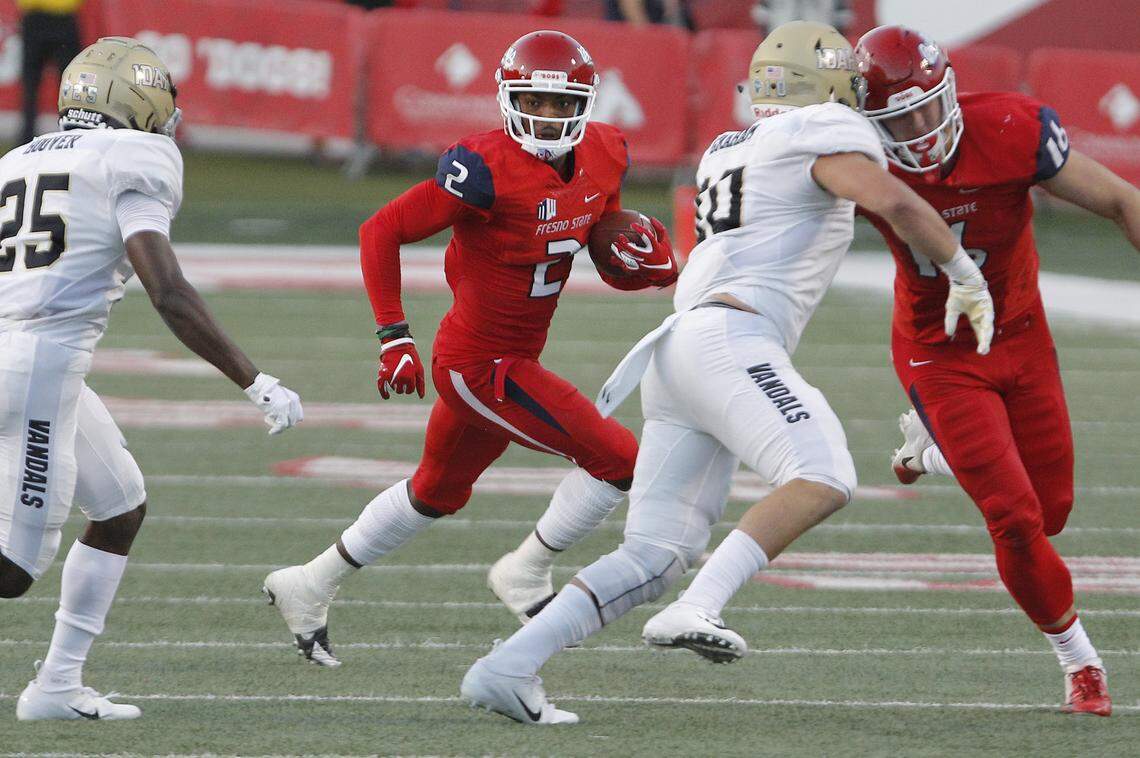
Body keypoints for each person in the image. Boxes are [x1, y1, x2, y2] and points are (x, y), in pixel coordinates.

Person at [459, 20, 994, 725]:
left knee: (654, 552)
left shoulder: (732, 145)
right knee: (823, 473)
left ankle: (507, 666)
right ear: (831, 87)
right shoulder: (824, 129)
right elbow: (889, 200)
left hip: (681, 348)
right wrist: (964, 274)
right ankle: (698, 606)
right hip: (729, 341)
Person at [262, 30, 677, 667]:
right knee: (621, 461)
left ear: (586, 105)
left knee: (436, 492)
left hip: (515, 356)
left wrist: (643, 265)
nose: (547, 117)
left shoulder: (607, 151)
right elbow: (383, 229)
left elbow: (601, 233)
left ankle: (309, 583)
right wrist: (393, 336)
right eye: (534, 102)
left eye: (562, 104)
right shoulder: (482, 168)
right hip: (479, 366)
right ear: (509, 100)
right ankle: (527, 569)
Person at [2, 37, 304, 721]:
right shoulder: (135, 158)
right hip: (38, 365)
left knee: (119, 508)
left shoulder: (17, 159)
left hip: (27, 358)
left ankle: (56, 685)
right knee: (12, 571)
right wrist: (253, 380)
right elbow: (166, 289)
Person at [857, 25, 1140, 717]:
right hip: (940, 351)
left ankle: (935, 452)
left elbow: (1120, 200)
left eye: (928, 109)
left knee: (1052, 513)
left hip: (1022, 335)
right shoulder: (856, 158)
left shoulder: (1010, 126)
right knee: (1014, 519)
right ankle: (1081, 663)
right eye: (901, 119)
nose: (921, 131)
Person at [17, 0, 84, 146]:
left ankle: (75, 135)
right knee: (30, 85)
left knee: (72, 86)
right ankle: (25, 140)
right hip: (36, 17)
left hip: (62, 17)